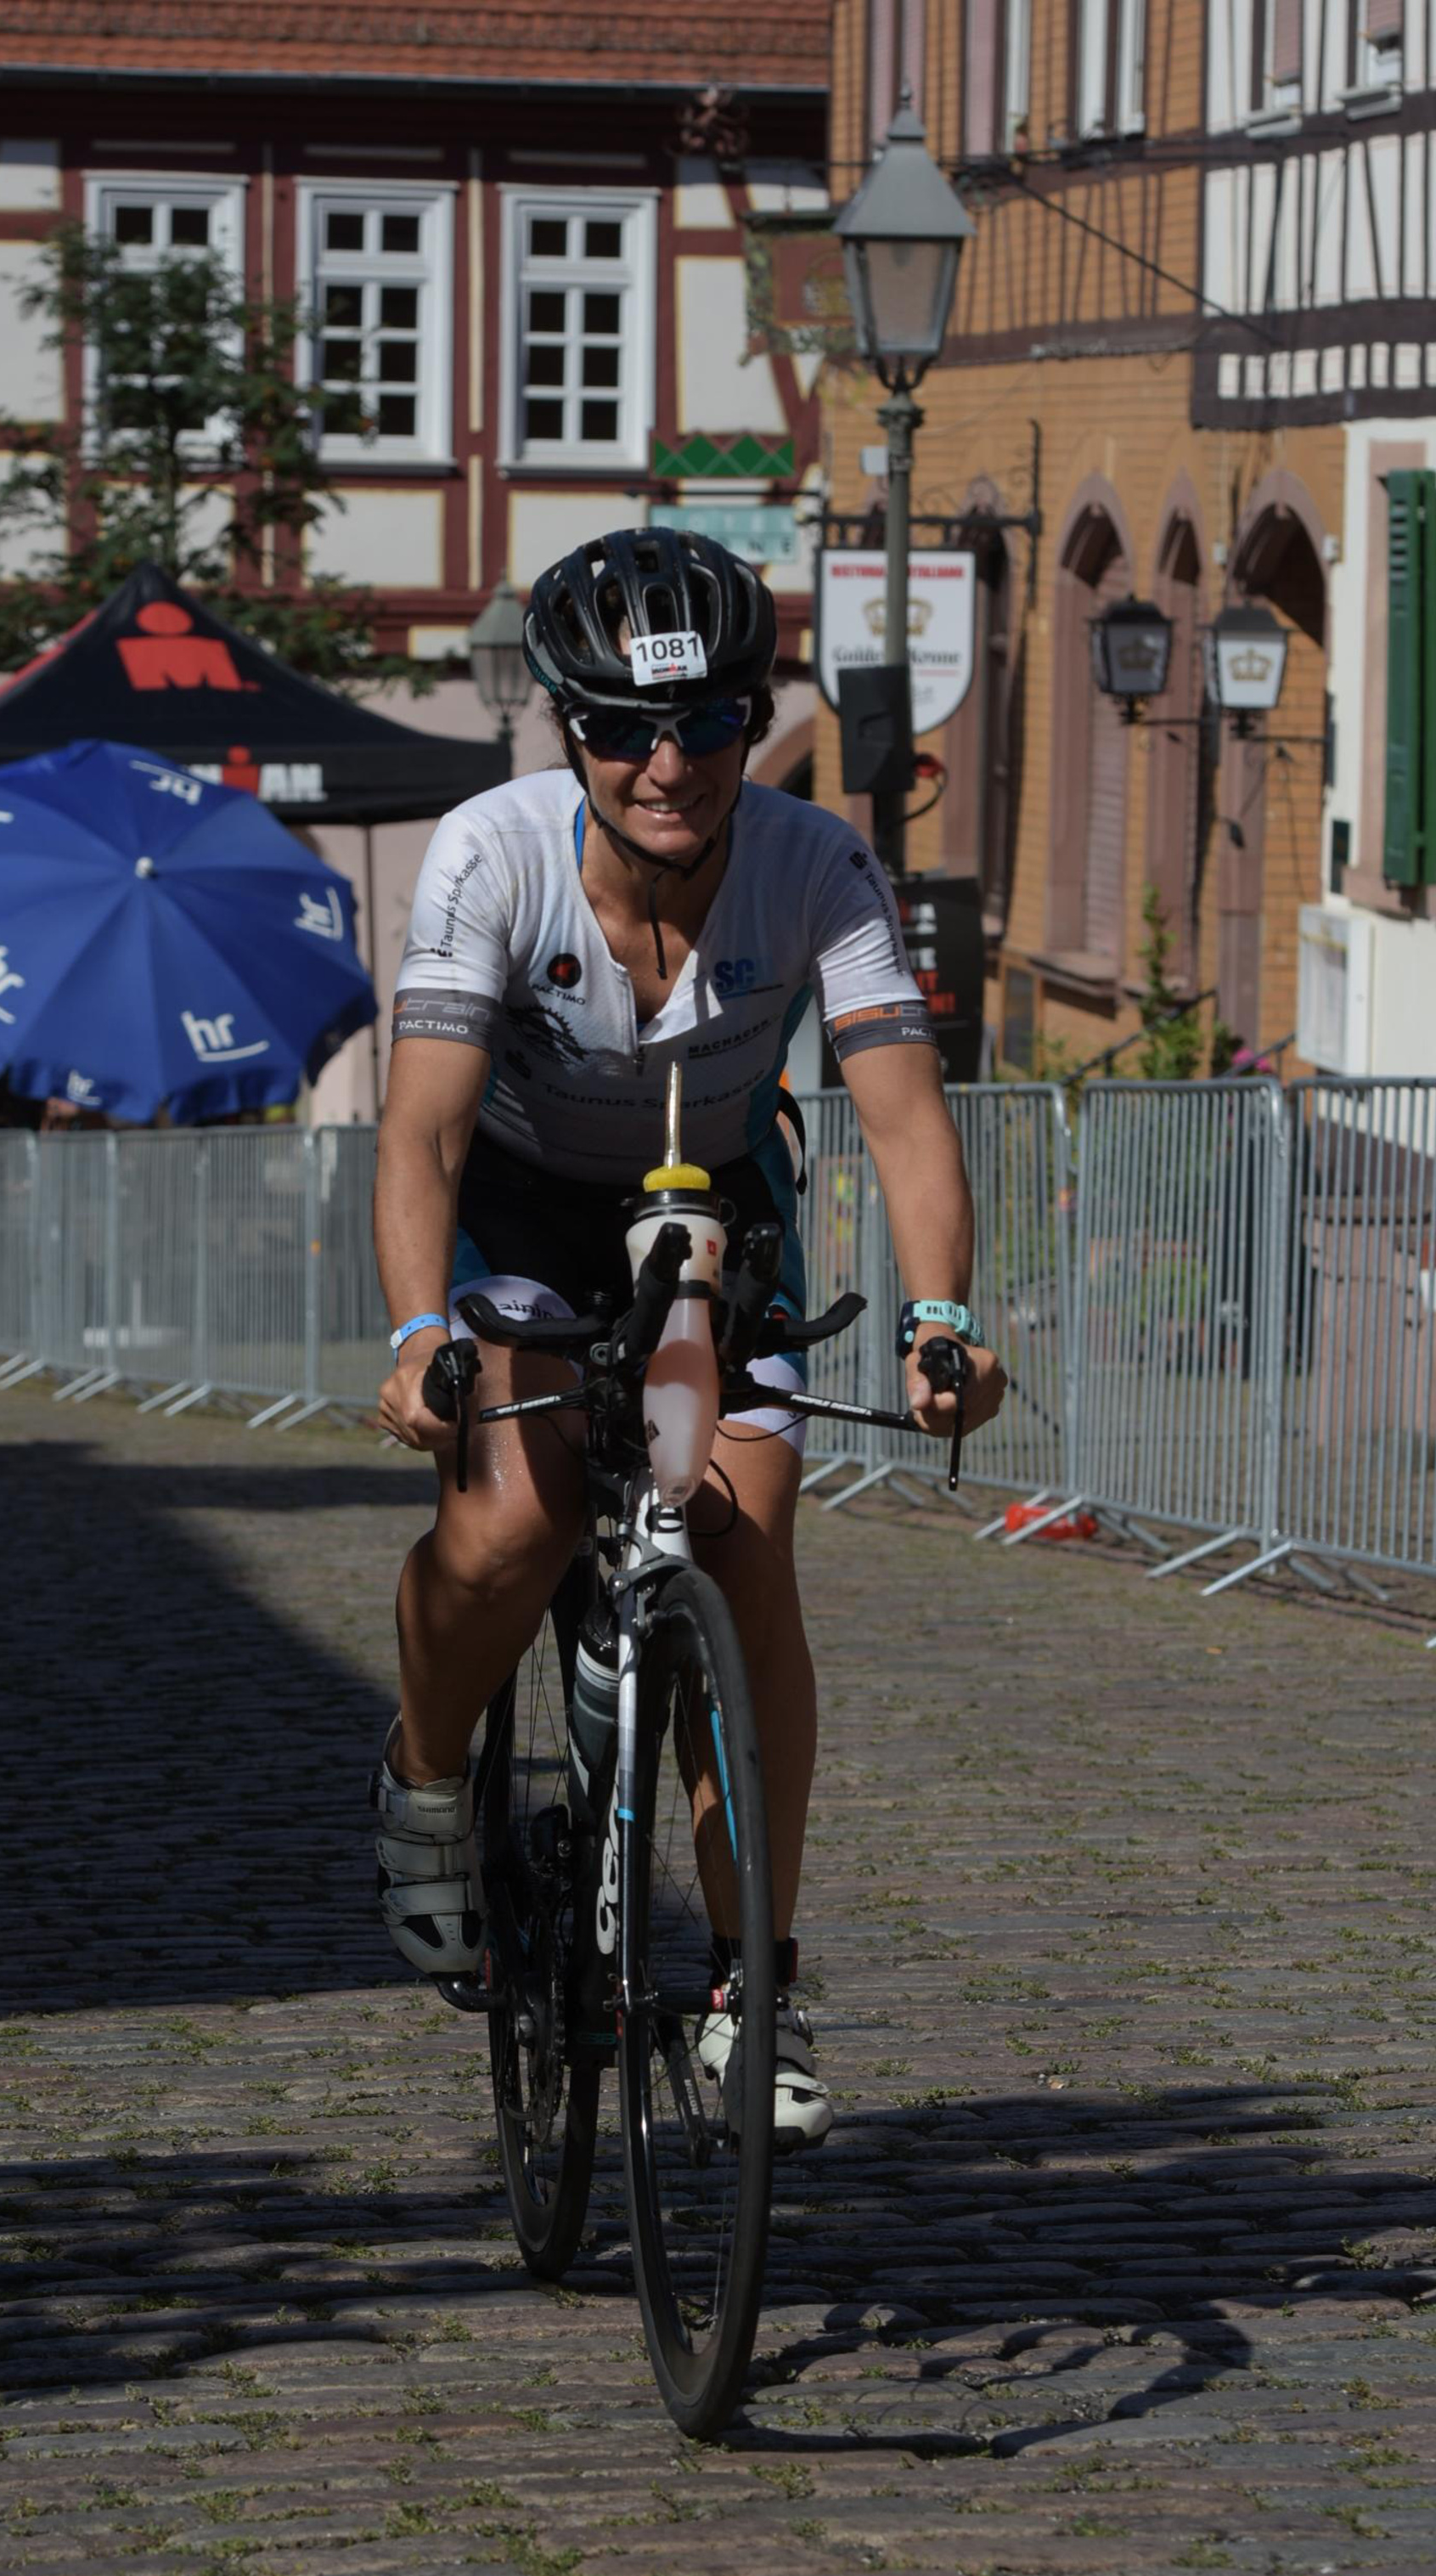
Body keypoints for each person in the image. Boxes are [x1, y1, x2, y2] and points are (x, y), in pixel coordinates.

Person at [370, 529, 1006, 2146]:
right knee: (510, 1527)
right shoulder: (489, 855)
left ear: (752, 718)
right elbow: (421, 1132)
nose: (667, 767)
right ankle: (427, 1777)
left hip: (713, 1200)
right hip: (522, 1205)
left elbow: (902, 1118)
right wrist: (416, 1327)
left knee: (741, 1550)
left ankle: (750, 1986)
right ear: (565, 728)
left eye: (709, 723)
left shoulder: (816, 864)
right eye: (620, 730)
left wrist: (941, 1319)